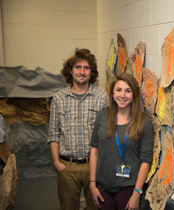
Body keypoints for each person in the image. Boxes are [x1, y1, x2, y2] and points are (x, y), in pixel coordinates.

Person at [48, 48, 109, 210]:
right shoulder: (59, 98)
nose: (82, 72)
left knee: (97, 206)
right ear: (70, 71)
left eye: (86, 68)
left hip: (95, 165)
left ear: (92, 72)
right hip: (67, 166)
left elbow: (108, 133)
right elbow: (54, 133)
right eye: (78, 67)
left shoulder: (102, 97)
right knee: (68, 207)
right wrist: (56, 163)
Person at [89, 73, 153, 210]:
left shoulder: (144, 121)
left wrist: (137, 193)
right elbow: (94, 150)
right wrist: (92, 184)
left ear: (134, 94)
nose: (122, 95)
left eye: (128, 91)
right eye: (119, 90)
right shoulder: (103, 115)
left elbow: (145, 160)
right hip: (102, 186)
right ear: (112, 93)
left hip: (129, 189)